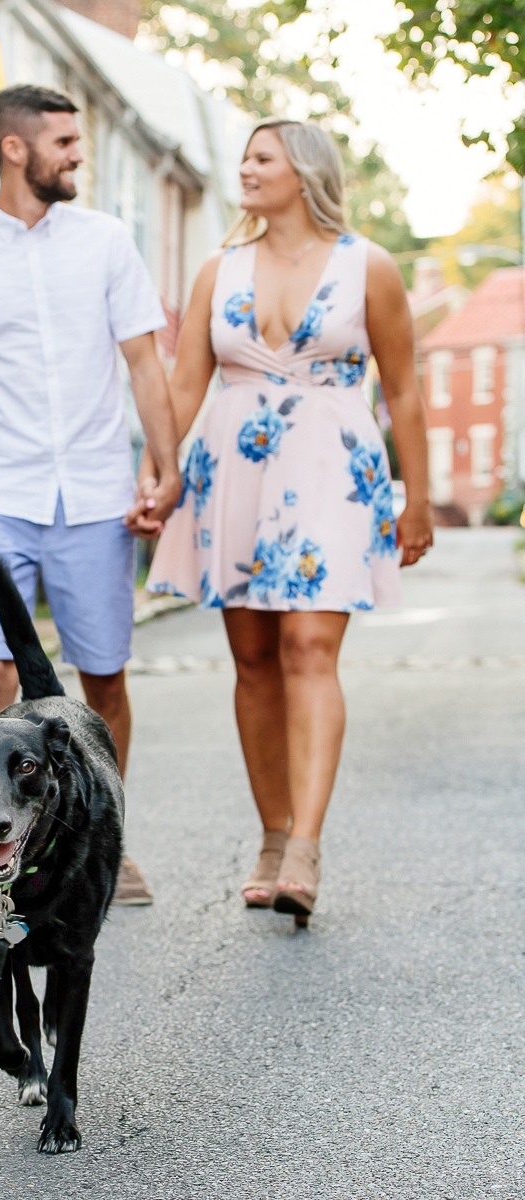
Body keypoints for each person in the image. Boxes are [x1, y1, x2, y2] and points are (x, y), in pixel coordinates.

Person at [129, 116, 433, 921]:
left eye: (262, 158)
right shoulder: (217, 270)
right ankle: (271, 834)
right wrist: (159, 471)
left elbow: (402, 390)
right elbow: (185, 383)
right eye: (245, 158)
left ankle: (306, 846)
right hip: (233, 469)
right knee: (255, 658)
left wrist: (419, 499)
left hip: (332, 465)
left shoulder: (369, 265)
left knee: (307, 646)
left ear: (303, 170)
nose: (246, 170)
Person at [0, 84, 182, 912]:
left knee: (101, 681)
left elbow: (145, 362)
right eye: (64, 141)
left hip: (97, 491)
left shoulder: (106, 243)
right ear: (15, 149)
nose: (79, 153)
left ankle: (106, 843)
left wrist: (162, 469)